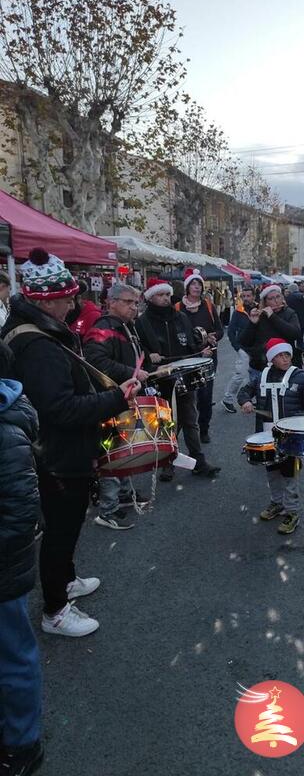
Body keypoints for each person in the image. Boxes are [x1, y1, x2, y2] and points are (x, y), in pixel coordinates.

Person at [1, 249, 140, 638]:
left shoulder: (40, 332)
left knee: (69, 524)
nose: (73, 304)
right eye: (66, 299)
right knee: (61, 528)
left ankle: (65, 579)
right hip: (56, 454)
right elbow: (59, 408)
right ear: (46, 300)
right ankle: (56, 610)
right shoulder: (38, 345)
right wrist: (116, 398)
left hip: (59, 449)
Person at [0, 341, 44, 776]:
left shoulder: (5, 429)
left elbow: (18, 515)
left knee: (12, 658)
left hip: (3, 567)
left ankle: (23, 742)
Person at [136, 277, 220, 480]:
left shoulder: (180, 317)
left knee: (190, 419)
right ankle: (168, 462)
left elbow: (190, 344)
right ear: (150, 297)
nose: (165, 299)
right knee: (166, 422)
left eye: (167, 294)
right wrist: (148, 354)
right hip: (160, 379)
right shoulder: (142, 322)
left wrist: (202, 350)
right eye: (160, 295)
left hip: (183, 376)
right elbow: (137, 348)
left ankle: (198, 461)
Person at [84, 283, 152, 530]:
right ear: (111, 302)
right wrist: (130, 374)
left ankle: (124, 495)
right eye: (128, 302)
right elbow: (95, 361)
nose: (134, 307)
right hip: (109, 399)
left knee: (125, 449)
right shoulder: (102, 329)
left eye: (136, 303)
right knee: (111, 454)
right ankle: (108, 508)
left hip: (123, 397)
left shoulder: (126, 326)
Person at [238, 338, 304, 535]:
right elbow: (244, 391)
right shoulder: (261, 376)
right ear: (271, 358)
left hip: (290, 435)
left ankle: (292, 512)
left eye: (287, 354)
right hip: (267, 434)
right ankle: (277, 503)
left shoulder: (299, 376)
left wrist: (301, 423)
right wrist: (246, 401)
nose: (285, 358)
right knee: (272, 471)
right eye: (280, 355)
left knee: (290, 474)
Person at [176, 269, 223, 444]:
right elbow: (177, 333)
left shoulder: (208, 306)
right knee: (186, 395)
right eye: (193, 284)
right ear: (187, 287)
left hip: (208, 356)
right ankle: (186, 431)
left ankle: (204, 429)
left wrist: (213, 336)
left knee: (205, 394)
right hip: (187, 356)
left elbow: (220, 329)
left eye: (199, 284)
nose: (196, 287)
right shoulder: (178, 308)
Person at [239, 284, 301, 376]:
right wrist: (252, 323)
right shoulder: (259, 315)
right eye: (271, 299)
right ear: (265, 302)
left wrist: (272, 317)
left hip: (284, 367)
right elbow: (244, 342)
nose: (276, 301)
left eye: (278, 297)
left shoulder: (290, 313)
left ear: (282, 297)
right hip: (261, 367)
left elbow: (295, 334)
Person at [221, 284, 254, 414]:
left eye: (249, 296)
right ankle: (228, 399)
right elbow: (230, 332)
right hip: (243, 349)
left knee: (255, 375)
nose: (246, 298)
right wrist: (237, 347)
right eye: (244, 296)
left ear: (253, 296)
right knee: (240, 375)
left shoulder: (258, 309)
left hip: (256, 349)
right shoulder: (238, 312)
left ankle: (250, 399)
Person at [285, 283, 304, 368]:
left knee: (290, 341)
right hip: (302, 322)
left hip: (290, 323)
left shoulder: (288, 298)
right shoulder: (302, 297)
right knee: (300, 341)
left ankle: (293, 359)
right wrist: (303, 314)